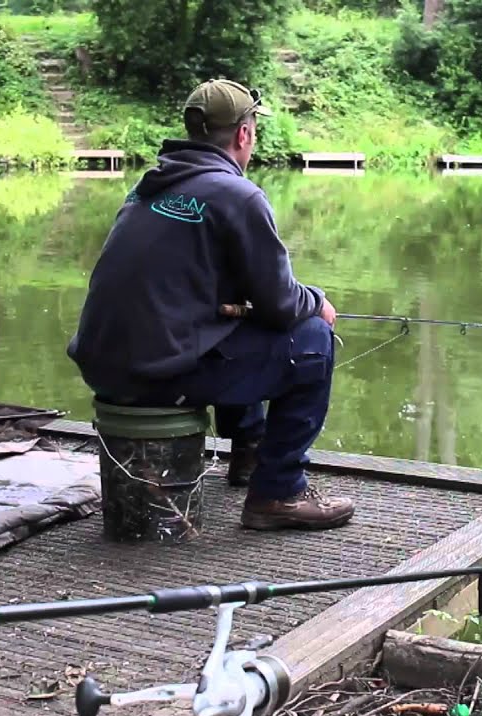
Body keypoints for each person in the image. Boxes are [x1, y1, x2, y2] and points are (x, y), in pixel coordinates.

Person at [66, 78, 354, 531]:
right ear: (243, 134)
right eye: (254, 127)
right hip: (154, 377)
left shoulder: (147, 188)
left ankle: (250, 453)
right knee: (313, 338)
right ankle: (277, 493)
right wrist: (318, 301)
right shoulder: (238, 196)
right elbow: (281, 305)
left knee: (240, 321)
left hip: (104, 367)